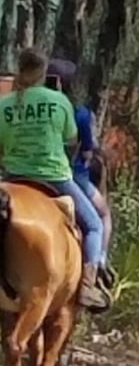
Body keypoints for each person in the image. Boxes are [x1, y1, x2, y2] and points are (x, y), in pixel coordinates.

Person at [0, 48, 109, 312]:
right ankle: (87, 286)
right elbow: (72, 139)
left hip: (13, 175)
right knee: (94, 224)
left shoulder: (4, 104)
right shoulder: (59, 102)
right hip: (54, 176)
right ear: (42, 73)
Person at [47, 58, 113, 287]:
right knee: (99, 219)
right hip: (69, 176)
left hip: (19, 172)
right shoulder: (79, 112)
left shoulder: (26, 105)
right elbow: (85, 152)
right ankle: (93, 275)